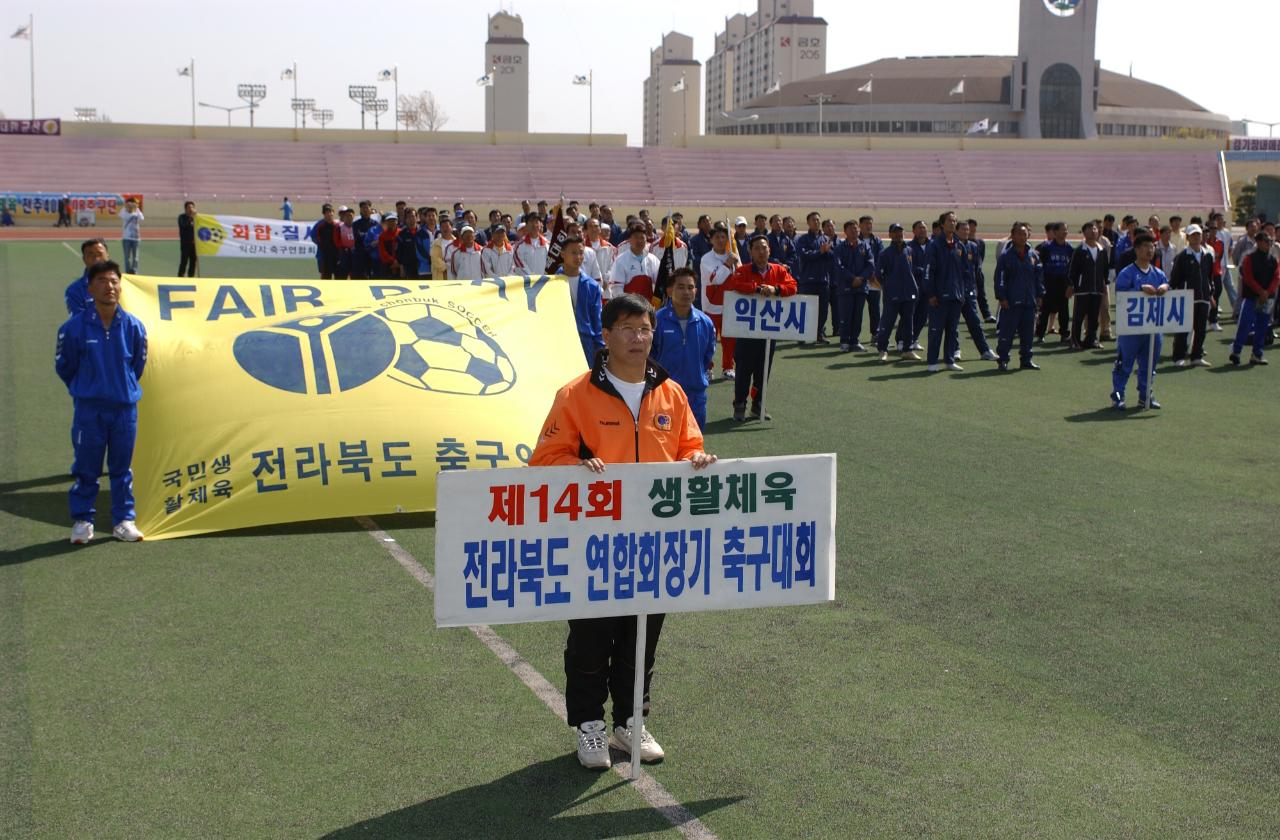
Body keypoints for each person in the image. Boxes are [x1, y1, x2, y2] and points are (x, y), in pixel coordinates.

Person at [529, 293, 715, 771]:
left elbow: (690, 446)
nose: (639, 338)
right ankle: (589, 725)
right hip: (592, 539)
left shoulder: (670, 392)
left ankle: (630, 720)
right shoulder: (575, 395)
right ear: (605, 335)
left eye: (645, 328)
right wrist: (575, 464)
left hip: (654, 541)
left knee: (642, 635)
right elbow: (544, 460)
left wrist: (695, 459)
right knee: (591, 636)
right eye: (628, 328)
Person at [55, 260, 148, 544]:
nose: (110, 287)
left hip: (124, 410)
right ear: (90, 287)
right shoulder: (73, 328)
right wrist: (88, 389)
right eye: (103, 281)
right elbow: (65, 367)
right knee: (87, 468)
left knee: (122, 468)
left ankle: (124, 520)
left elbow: (138, 364)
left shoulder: (133, 326)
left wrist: (121, 387)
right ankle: (83, 520)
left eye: (114, 281)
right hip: (90, 411)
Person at [724, 233, 798, 421]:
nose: (761, 251)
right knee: (742, 370)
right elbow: (735, 283)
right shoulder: (744, 270)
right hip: (747, 331)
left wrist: (776, 290)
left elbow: (793, 286)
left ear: (769, 250)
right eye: (756, 248)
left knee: (763, 370)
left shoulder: (779, 270)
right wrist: (757, 289)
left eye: (764, 247)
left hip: (768, 331)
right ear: (750, 251)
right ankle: (740, 404)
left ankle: (758, 405)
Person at [651, 267, 717, 429]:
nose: (686, 292)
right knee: (664, 443)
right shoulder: (657, 320)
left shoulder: (705, 322)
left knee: (694, 444)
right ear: (669, 290)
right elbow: (650, 355)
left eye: (690, 287)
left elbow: (708, 355)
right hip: (664, 393)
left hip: (695, 394)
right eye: (680, 287)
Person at [1111, 231, 1170, 410]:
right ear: (1136, 250)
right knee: (1124, 364)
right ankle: (1118, 396)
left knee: (1149, 365)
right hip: (1131, 328)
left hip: (1152, 328)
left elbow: (1168, 286)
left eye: (1152, 247)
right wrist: (1139, 289)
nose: (1149, 250)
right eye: (1145, 246)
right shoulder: (1127, 273)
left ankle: (1146, 396)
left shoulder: (1158, 274)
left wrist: (1165, 287)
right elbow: (1120, 295)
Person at [993, 221, 1044, 371]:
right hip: (1012, 301)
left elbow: (1038, 276)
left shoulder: (1033, 255)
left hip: (1029, 301)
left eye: (1025, 234)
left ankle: (1026, 359)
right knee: (1007, 333)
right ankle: (1003, 360)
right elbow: (1000, 278)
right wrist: (1002, 297)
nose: (1022, 237)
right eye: (1019, 234)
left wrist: (1040, 294)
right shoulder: (1006, 257)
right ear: (1013, 236)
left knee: (1028, 333)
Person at [924, 212, 967, 372]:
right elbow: (928, 272)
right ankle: (933, 362)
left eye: (954, 220)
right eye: (949, 220)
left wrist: (962, 293)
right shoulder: (934, 245)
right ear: (942, 224)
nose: (952, 223)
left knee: (952, 330)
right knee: (936, 330)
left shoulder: (959, 245)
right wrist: (931, 294)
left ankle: (949, 360)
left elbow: (963, 273)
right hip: (939, 297)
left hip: (955, 296)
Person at [1229, 230, 1279, 366]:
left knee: (1262, 327)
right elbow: (1248, 277)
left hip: (1267, 298)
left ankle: (1257, 354)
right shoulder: (1249, 258)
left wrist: (1267, 293)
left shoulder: (1273, 260)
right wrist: (1261, 292)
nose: (1269, 244)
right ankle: (1236, 352)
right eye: (1266, 241)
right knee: (1244, 325)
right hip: (1251, 297)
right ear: (1258, 242)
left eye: (1270, 241)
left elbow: (1276, 277)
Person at [554, 236, 604, 367]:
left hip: (585, 341)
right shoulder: (551, 284)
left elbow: (597, 319)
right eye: (574, 253)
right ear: (562, 254)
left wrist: (600, 346)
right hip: (559, 340)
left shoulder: (592, 286)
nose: (578, 257)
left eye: (581, 253)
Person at [873, 223, 920, 361]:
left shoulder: (909, 250)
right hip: (892, 294)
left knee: (908, 324)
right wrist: (888, 286)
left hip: (908, 293)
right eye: (895, 232)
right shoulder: (885, 254)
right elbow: (878, 274)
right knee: (887, 323)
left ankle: (907, 349)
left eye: (900, 231)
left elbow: (913, 270)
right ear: (890, 235)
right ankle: (882, 350)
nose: (898, 234)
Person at [953, 220, 998, 363]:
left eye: (968, 230)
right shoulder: (951, 246)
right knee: (952, 324)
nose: (967, 232)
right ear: (956, 231)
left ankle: (985, 350)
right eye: (963, 230)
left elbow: (976, 269)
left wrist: (975, 289)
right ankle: (955, 350)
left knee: (975, 322)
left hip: (969, 291)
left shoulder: (973, 246)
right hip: (954, 291)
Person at [1170, 224, 1215, 367]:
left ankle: (1196, 356)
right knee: (1183, 329)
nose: (1196, 237)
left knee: (1201, 329)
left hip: (1203, 297)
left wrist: (1211, 295)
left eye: (1198, 234)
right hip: (1187, 297)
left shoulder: (1207, 255)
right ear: (1188, 237)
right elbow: (1175, 279)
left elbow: (1209, 277)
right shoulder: (1182, 256)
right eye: (1193, 235)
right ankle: (1178, 357)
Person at [698, 223, 739, 380]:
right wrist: (728, 264)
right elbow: (715, 279)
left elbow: (740, 275)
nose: (721, 240)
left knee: (729, 338)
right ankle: (707, 368)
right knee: (710, 339)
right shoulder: (706, 259)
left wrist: (735, 262)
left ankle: (728, 367)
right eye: (717, 237)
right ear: (711, 240)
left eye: (723, 237)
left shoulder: (733, 254)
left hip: (731, 304)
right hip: (712, 304)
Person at [1067, 220, 1109, 349]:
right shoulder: (1080, 250)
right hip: (1082, 289)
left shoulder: (1102, 250)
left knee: (1093, 316)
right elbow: (1072, 270)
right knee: (1078, 316)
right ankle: (1075, 340)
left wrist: (1104, 283)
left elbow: (1104, 269)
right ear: (1084, 232)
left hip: (1097, 289)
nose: (1093, 231)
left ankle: (1091, 340)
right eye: (1089, 229)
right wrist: (1071, 285)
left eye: (1095, 229)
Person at [795, 212, 834, 345]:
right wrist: (820, 252)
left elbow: (833, 257)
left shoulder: (826, 239)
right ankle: (802, 335)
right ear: (808, 223)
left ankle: (819, 334)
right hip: (808, 280)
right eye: (813, 220)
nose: (816, 222)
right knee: (806, 309)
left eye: (818, 220)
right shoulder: (803, 239)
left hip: (823, 280)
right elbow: (804, 255)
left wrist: (827, 251)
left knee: (823, 310)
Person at [1035, 222, 1073, 344]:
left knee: (1064, 311)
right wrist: (1040, 286)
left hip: (1063, 283)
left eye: (1066, 230)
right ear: (1055, 232)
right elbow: (1040, 267)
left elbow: (1073, 269)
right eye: (1062, 230)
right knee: (1045, 310)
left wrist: (1071, 285)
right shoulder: (1046, 248)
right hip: (1049, 282)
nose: (1065, 232)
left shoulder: (1069, 249)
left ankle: (1064, 335)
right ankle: (1040, 335)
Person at [832, 220, 868, 351]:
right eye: (851, 229)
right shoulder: (840, 248)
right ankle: (844, 341)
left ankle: (854, 341)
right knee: (845, 316)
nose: (855, 231)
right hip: (845, 287)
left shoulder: (865, 246)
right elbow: (839, 266)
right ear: (845, 231)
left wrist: (861, 278)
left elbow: (871, 265)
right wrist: (852, 278)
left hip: (861, 287)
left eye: (856, 228)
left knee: (857, 316)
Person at [610, 223, 660, 302]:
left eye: (642, 238)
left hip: (648, 306)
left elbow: (659, 282)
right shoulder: (621, 260)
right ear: (629, 240)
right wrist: (623, 305)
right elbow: (616, 287)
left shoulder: (653, 259)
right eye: (636, 237)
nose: (639, 241)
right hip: (629, 307)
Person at [66, 238, 109, 315]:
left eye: (100, 254)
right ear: (84, 259)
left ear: (107, 256)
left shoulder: (123, 283)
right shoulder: (75, 290)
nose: (96, 259)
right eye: (91, 255)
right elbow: (78, 322)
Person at [967, 218, 994, 322]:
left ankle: (987, 315)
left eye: (974, 227)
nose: (972, 229)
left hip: (977, 272)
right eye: (970, 227)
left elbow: (981, 258)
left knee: (981, 293)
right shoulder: (961, 242)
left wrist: (977, 268)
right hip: (965, 273)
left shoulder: (980, 242)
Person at [351, 201, 379, 279]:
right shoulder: (355, 224)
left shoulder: (375, 224)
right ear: (360, 210)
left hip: (372, 255)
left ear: (370, 209)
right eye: (363, 208)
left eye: (367, 207)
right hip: (360, 255)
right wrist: (369, 238)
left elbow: (376, 238)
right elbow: (358, 237)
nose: (365, 210)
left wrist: (368, 237)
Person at [313, 204, 339, 279]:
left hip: (336, 256)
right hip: (324, 256)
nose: (329, 214)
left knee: (339, 276)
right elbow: (314, 237)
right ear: (324, 214)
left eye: (331, 212)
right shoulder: (319, 226)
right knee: (325, 276)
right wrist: (323, 247)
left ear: (333, 212)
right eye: (327, 212)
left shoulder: (337, 225)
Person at [118, 197, 143, 274]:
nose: (132, 205)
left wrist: (136, 209)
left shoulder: (137, 211)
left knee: (135, 257)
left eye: (134, 203)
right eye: (131, 203)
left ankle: (134, 271)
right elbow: (124, 216)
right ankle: (128, 271)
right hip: (126, 237)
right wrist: (128, 209)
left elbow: (142, 218)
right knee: (127, 257)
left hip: (136, 238)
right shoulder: (123, 211)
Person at [334, 207, 357, 279]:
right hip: (343, 254)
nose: (349, 218)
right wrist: (343, 249)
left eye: (350, 216)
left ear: (353, 216)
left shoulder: (356, 226)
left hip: (354, 254)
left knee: (354, 275)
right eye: (347, 216)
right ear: (344, 217)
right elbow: (336, 240)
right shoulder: (339, 227)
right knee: (342, 275)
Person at [177, 200, 198, 278]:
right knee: (184, 262)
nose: (191, 209)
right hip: (185, 244)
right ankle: (180, 276)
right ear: (185, 209)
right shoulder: (182, 217)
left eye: (192, 207)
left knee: (193, 262)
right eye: (189, 207)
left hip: (194, 244)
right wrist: (191, 218)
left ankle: (191, 277)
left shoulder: (196, 218)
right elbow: (184, 226)